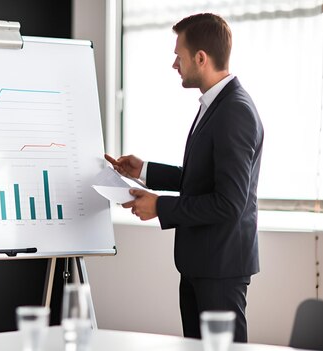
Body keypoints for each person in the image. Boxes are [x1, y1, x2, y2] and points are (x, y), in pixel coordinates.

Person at [105, 13, 263, 343]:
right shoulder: (215, 104)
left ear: (201, 58)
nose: (174, 64)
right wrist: (144, 171)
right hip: (201, 265)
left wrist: (161, 207)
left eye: (179, 55)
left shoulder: (235, 111)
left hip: (220, 269)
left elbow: (229, 204)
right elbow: (200, 179)